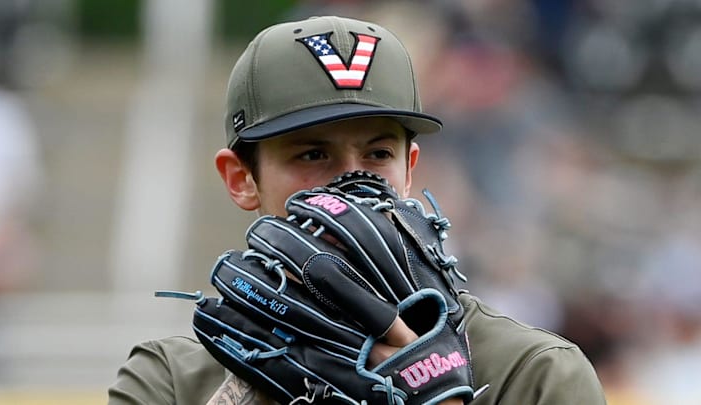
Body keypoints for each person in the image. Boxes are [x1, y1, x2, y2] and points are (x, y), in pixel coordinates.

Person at [108, 15, 606, 404]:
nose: (353, 182)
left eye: (377, 154)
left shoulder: (534, 372)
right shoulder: (169, 381)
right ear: (242, 179)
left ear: (409, 170)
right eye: (312, 154)